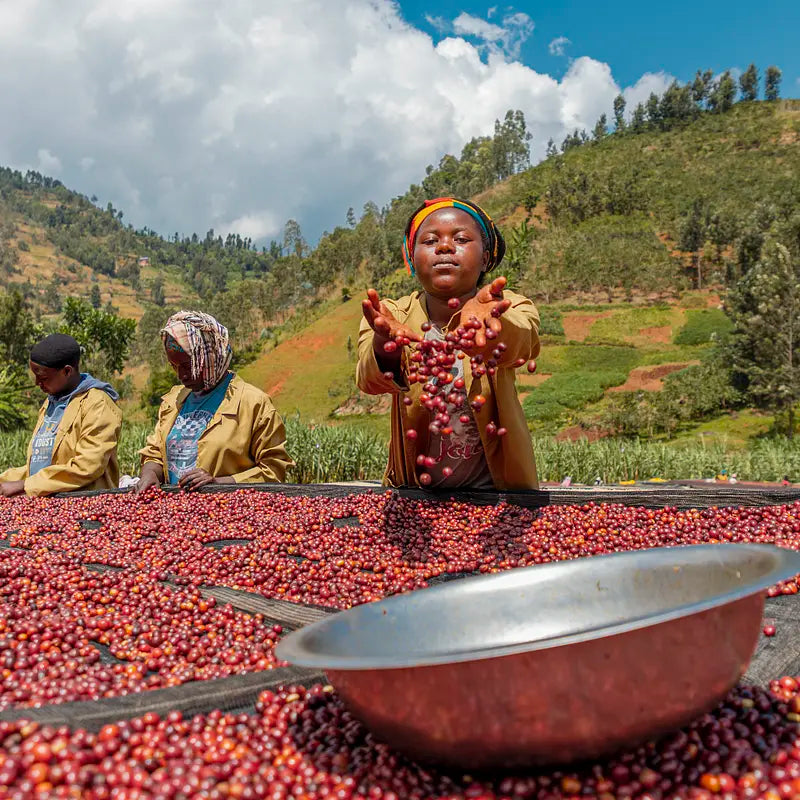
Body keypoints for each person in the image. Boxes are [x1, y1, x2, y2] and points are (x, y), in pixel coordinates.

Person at [356, 197, 540, 490]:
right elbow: (370, 380)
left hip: (496, 494)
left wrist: (494, 327)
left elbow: (524, 341)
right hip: (416, 497)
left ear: (485, 258)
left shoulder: (509, 305)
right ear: (412, 259)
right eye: (430, 241)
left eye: (461, 239)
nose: (443, 247)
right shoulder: (392, 313)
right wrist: (383, 343)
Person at [136, 311, 292, 492]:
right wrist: (150, 473)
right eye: (174, 366)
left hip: (230, 513)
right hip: (175, 514)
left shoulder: (254, 404)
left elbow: (274, 471)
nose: (181, 375)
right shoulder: (173, 401)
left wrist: (219, 483)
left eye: (188, 366)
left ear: (211, 356)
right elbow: (155, 453)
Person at [0, 333, 122, 497]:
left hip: (83, 506)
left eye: (42, 377)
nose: (37, 383)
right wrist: (6, 480)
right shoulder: (50, 402)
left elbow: (88, 466)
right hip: (46, 505)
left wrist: (25, 485)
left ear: (66, 371)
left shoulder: (97, 404)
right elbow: (41, 464)